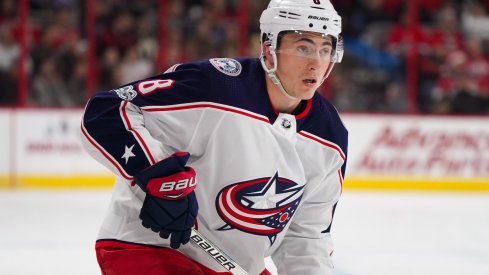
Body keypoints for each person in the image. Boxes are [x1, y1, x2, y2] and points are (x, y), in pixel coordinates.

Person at [81, 0, 348, 274]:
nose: (317, 63)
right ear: (269, 49)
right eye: (303, 48)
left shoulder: (331, 137)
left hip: (234, 267)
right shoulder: (217, 87)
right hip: (149, 247)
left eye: (325, 50)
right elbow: (108, 110)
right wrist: (158, 176)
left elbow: (306, 236)